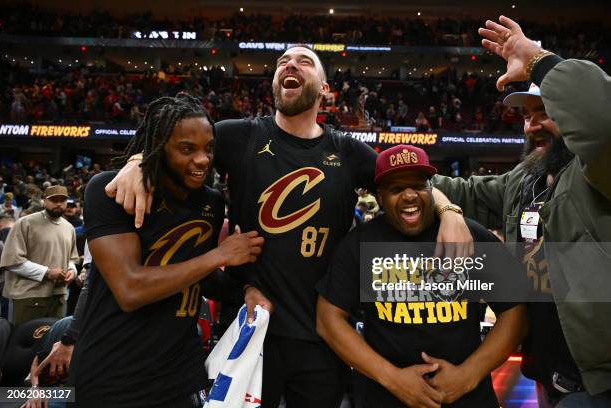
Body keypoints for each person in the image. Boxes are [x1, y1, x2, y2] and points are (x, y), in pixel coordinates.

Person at [107, 46, 473, 407]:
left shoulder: (346, 150)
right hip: (251, 329)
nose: (289, 65)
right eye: (282, 62)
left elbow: (406, 183)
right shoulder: (240, 135)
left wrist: (450, 210)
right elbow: (177, 147)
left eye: (303, 62)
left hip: (323, 336)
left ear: (325, 89)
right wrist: (138, 162)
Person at [431, 15, 611, 406]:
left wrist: (537, 61)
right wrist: (370, 167)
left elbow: (601, 122)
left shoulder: (596, 171)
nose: (531, 126)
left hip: (597, 380)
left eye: (544, 112)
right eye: (526, 116)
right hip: (546, 371)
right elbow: (457, 190)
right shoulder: (523, 180)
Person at [68, 93, 266, 408]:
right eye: (187, 149)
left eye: (209, 148)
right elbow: (129, 289)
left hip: (181, 372)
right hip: (113, 374)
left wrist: (245, 289)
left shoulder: (210, 202)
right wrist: (221, 255)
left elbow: (195, 272)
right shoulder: (109, 191)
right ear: (158, 147)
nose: (203, 159)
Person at [316, 144, 527, 408]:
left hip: (467, 399)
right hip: (384, 398)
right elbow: (328, 319)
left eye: (418, 185)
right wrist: (393, 378)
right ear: (380, 197)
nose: (409, 195)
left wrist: (468, 375)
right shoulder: (359, 244)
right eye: (396, 189)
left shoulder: (469, 236)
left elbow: (516, 311)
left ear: (431, 189)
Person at [0, 185, 78, 325]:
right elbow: (12, 262)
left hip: (58, 294)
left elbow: (72, 259)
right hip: (28, 295)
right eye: (54, 200)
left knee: (51, 343)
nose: (59, 204)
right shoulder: (25, 223)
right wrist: (47, 272)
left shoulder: (69, 228)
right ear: (44, 201)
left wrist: (72, 270)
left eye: (63, 200)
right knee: (22, 342)